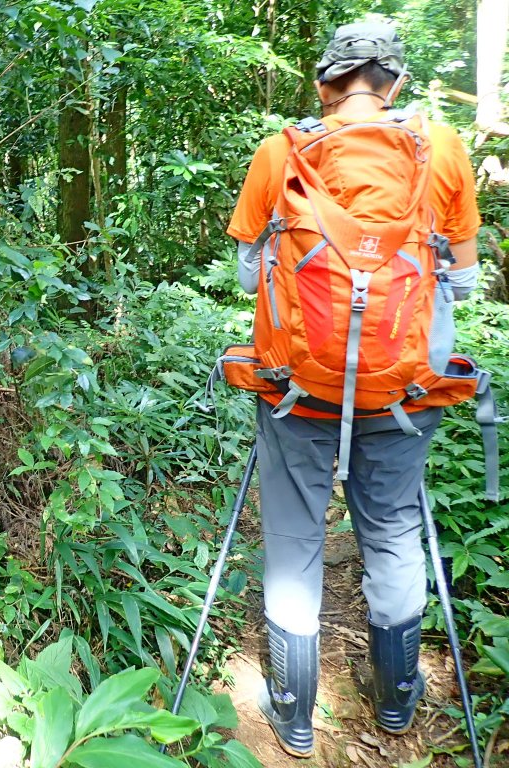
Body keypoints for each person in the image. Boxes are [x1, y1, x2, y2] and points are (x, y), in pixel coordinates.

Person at [226, 22, 481, 758]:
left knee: (295, 539)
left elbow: (250, 274)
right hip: (404, 395)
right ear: (394, 83)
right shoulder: (443, 151)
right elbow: (460, 281)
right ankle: (397, 703)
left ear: (324, 85)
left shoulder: (281, 153)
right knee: (395, 532)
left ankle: (294, 715)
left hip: (294, 390)